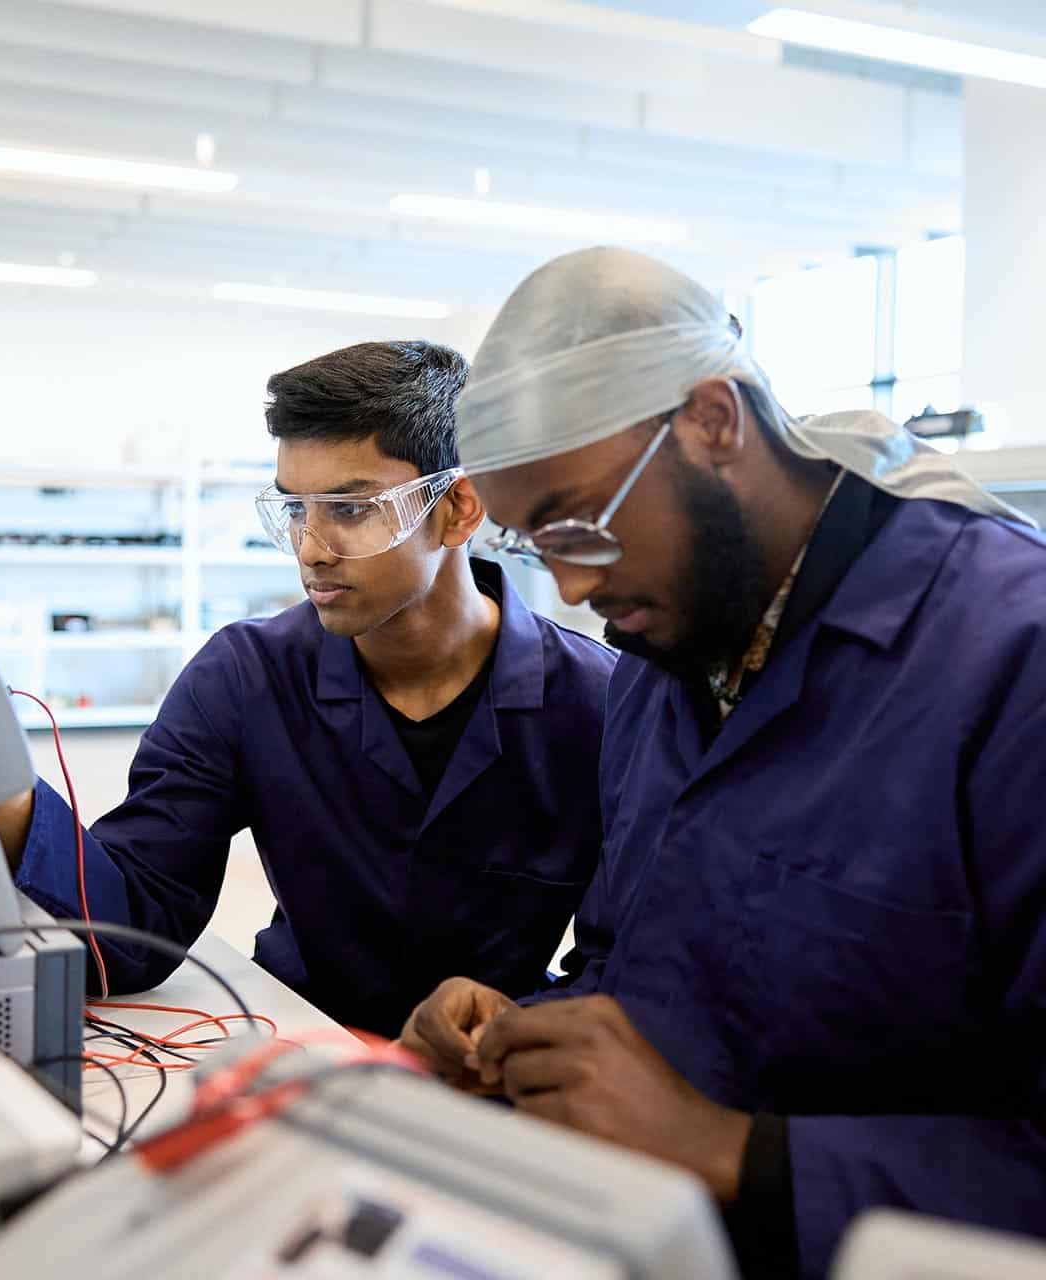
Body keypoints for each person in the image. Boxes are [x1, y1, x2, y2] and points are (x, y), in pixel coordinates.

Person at [399, 249, 1046, 1277]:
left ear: (711, 420)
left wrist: (732, 1150)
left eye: (576, 522)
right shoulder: (664, 662)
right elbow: (633, 961)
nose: (568, 585)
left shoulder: (1007, 663)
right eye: (532, 544)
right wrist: (537, 1038)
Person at [0, 341, 615, 1038]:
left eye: (350, 509)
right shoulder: (245, 676)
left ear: (458, 508)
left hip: (493, 1074)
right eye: (294, 508)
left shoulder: (601, 704)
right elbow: (133, 923)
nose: (311, 547)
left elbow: (622, 967)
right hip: (299, 1037)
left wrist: (511, 1036)